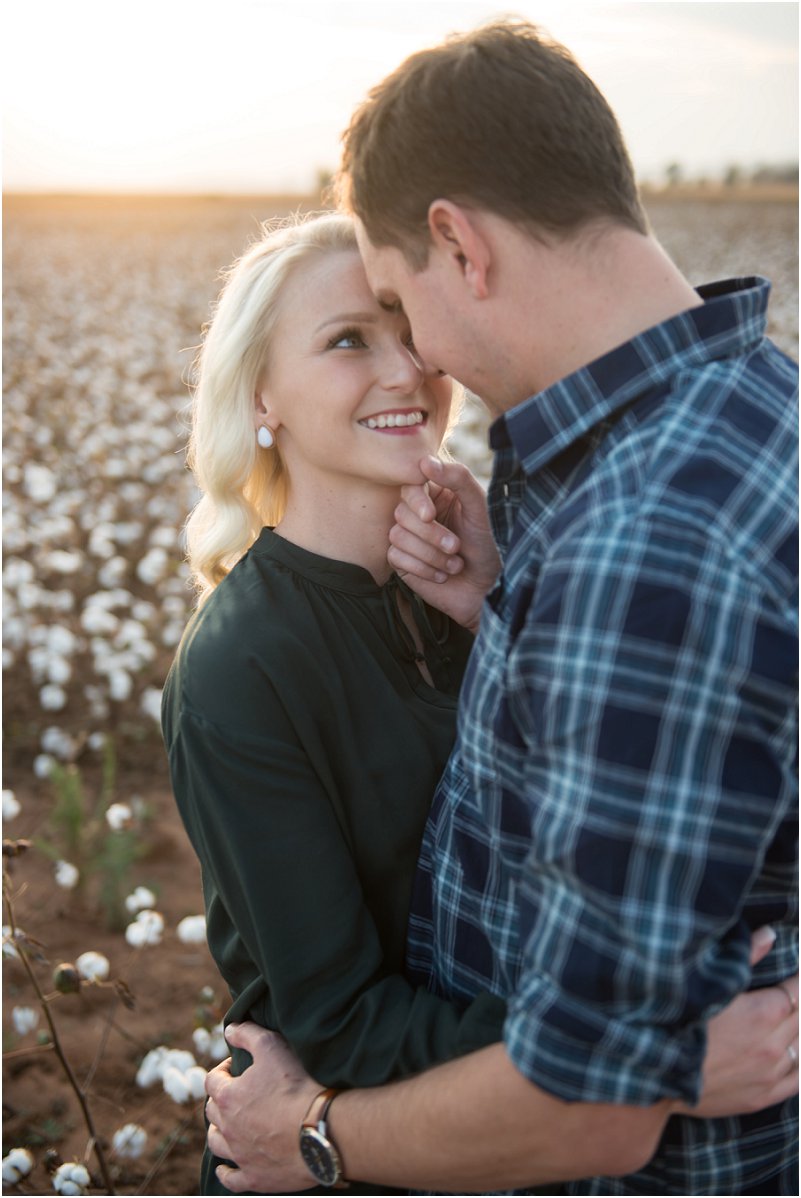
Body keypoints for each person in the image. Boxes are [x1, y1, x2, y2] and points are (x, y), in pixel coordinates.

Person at [203, 18, 799, 1197]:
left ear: (458, 247)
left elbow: (590, 1108)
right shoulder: (755, 411)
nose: (415, 355)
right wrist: (501, 605)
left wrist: (310, 1137)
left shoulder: (644, 542)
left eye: (397, 301)